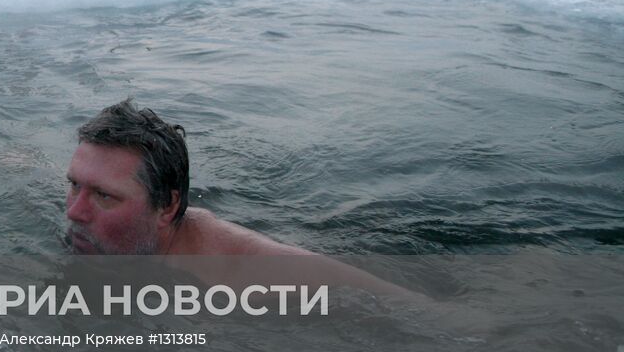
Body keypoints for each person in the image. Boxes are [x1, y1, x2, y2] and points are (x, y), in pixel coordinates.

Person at [64, 100, 416, 298]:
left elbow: (427, 318)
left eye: (104, 196)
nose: (74, 212)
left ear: (167, 207)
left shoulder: (256, 278)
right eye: (74, 185)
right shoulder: (115, 232)